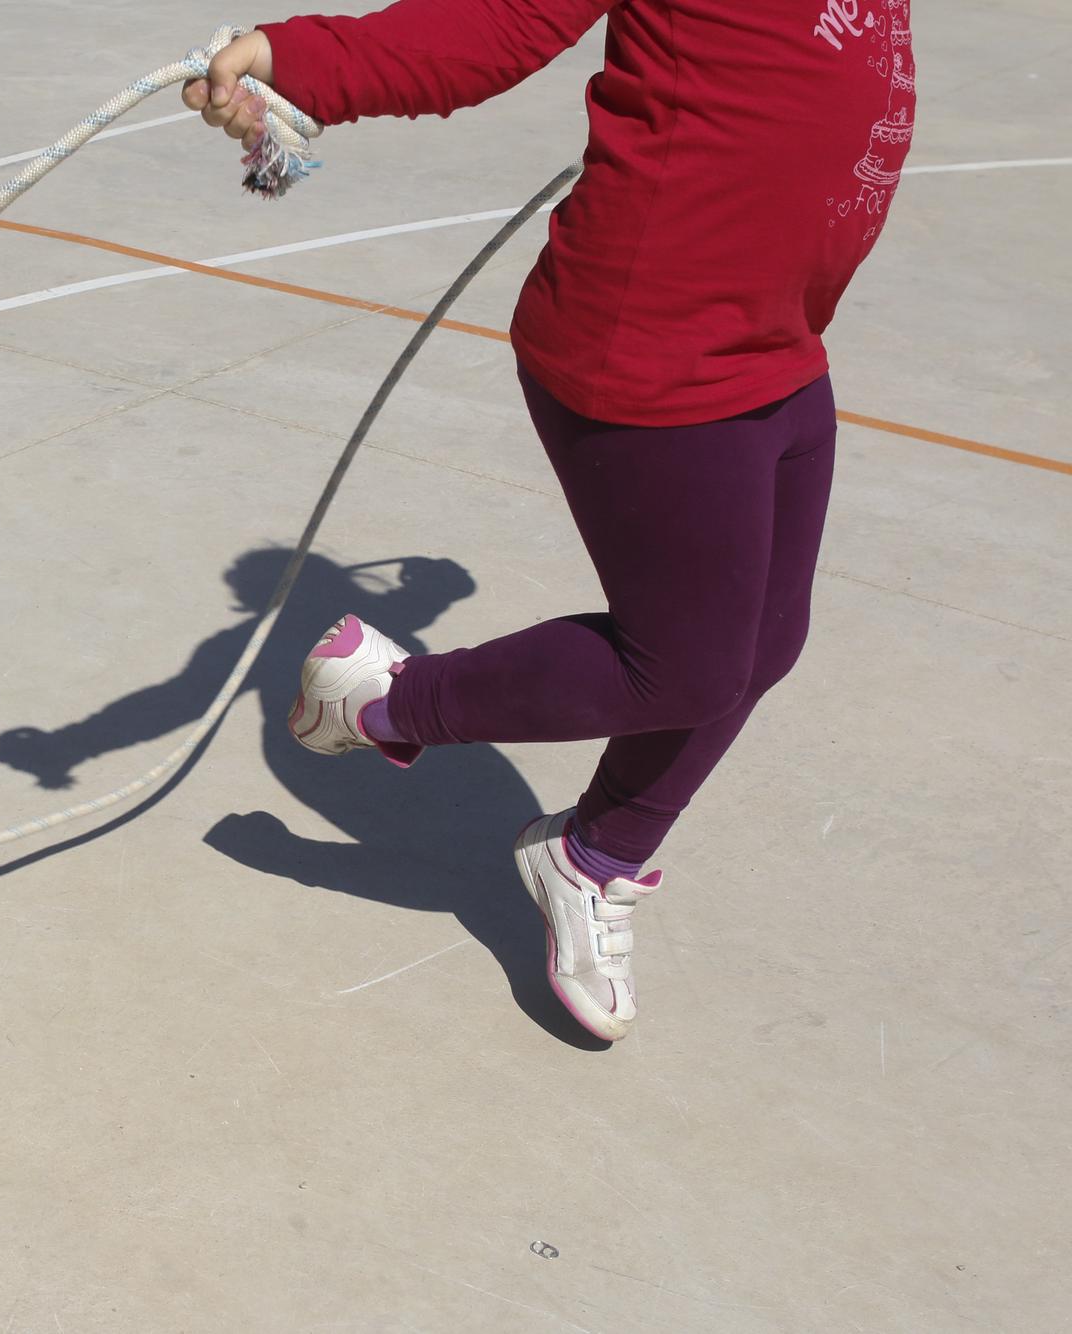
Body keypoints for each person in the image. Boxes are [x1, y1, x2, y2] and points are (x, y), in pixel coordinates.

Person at [183, 1, 916, 1041]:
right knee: (687, 665)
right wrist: (293, 60)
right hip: (650, 342)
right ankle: (385, 697)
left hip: (776, 337)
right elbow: (487, 27)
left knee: (764, 641)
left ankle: (591, 856)